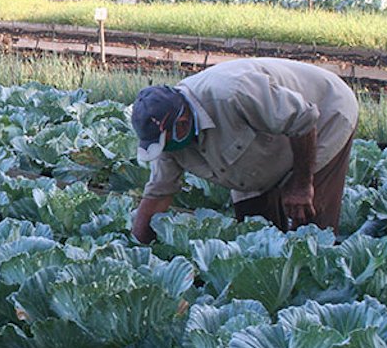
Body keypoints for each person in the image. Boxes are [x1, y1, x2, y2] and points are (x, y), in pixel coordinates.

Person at [130, 57, 358, 243]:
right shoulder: (169, 141)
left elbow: (304, 121)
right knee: (254, 237)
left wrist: (301, 184)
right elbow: (158, 194)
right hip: (258, 156)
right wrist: (136, 248)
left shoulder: (233, 93)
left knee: (309, 229)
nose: (166, 150)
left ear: (181, 123)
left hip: (325, 115)